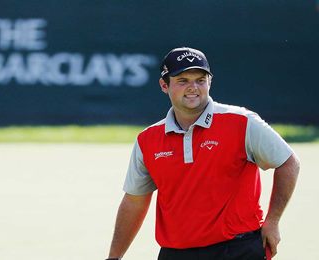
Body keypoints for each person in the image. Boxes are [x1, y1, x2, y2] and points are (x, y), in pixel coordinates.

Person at [106, 47, 300, 260]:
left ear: (210, 82)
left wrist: (272, 221)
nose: (193, 88)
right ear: (164, 85)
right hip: (176, 254)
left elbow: (288, 162)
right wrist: (114, 257)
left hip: (238, 249)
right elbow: (135, 200)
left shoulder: (242, 122)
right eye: (183, 81)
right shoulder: (148, 140)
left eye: (200, 80)